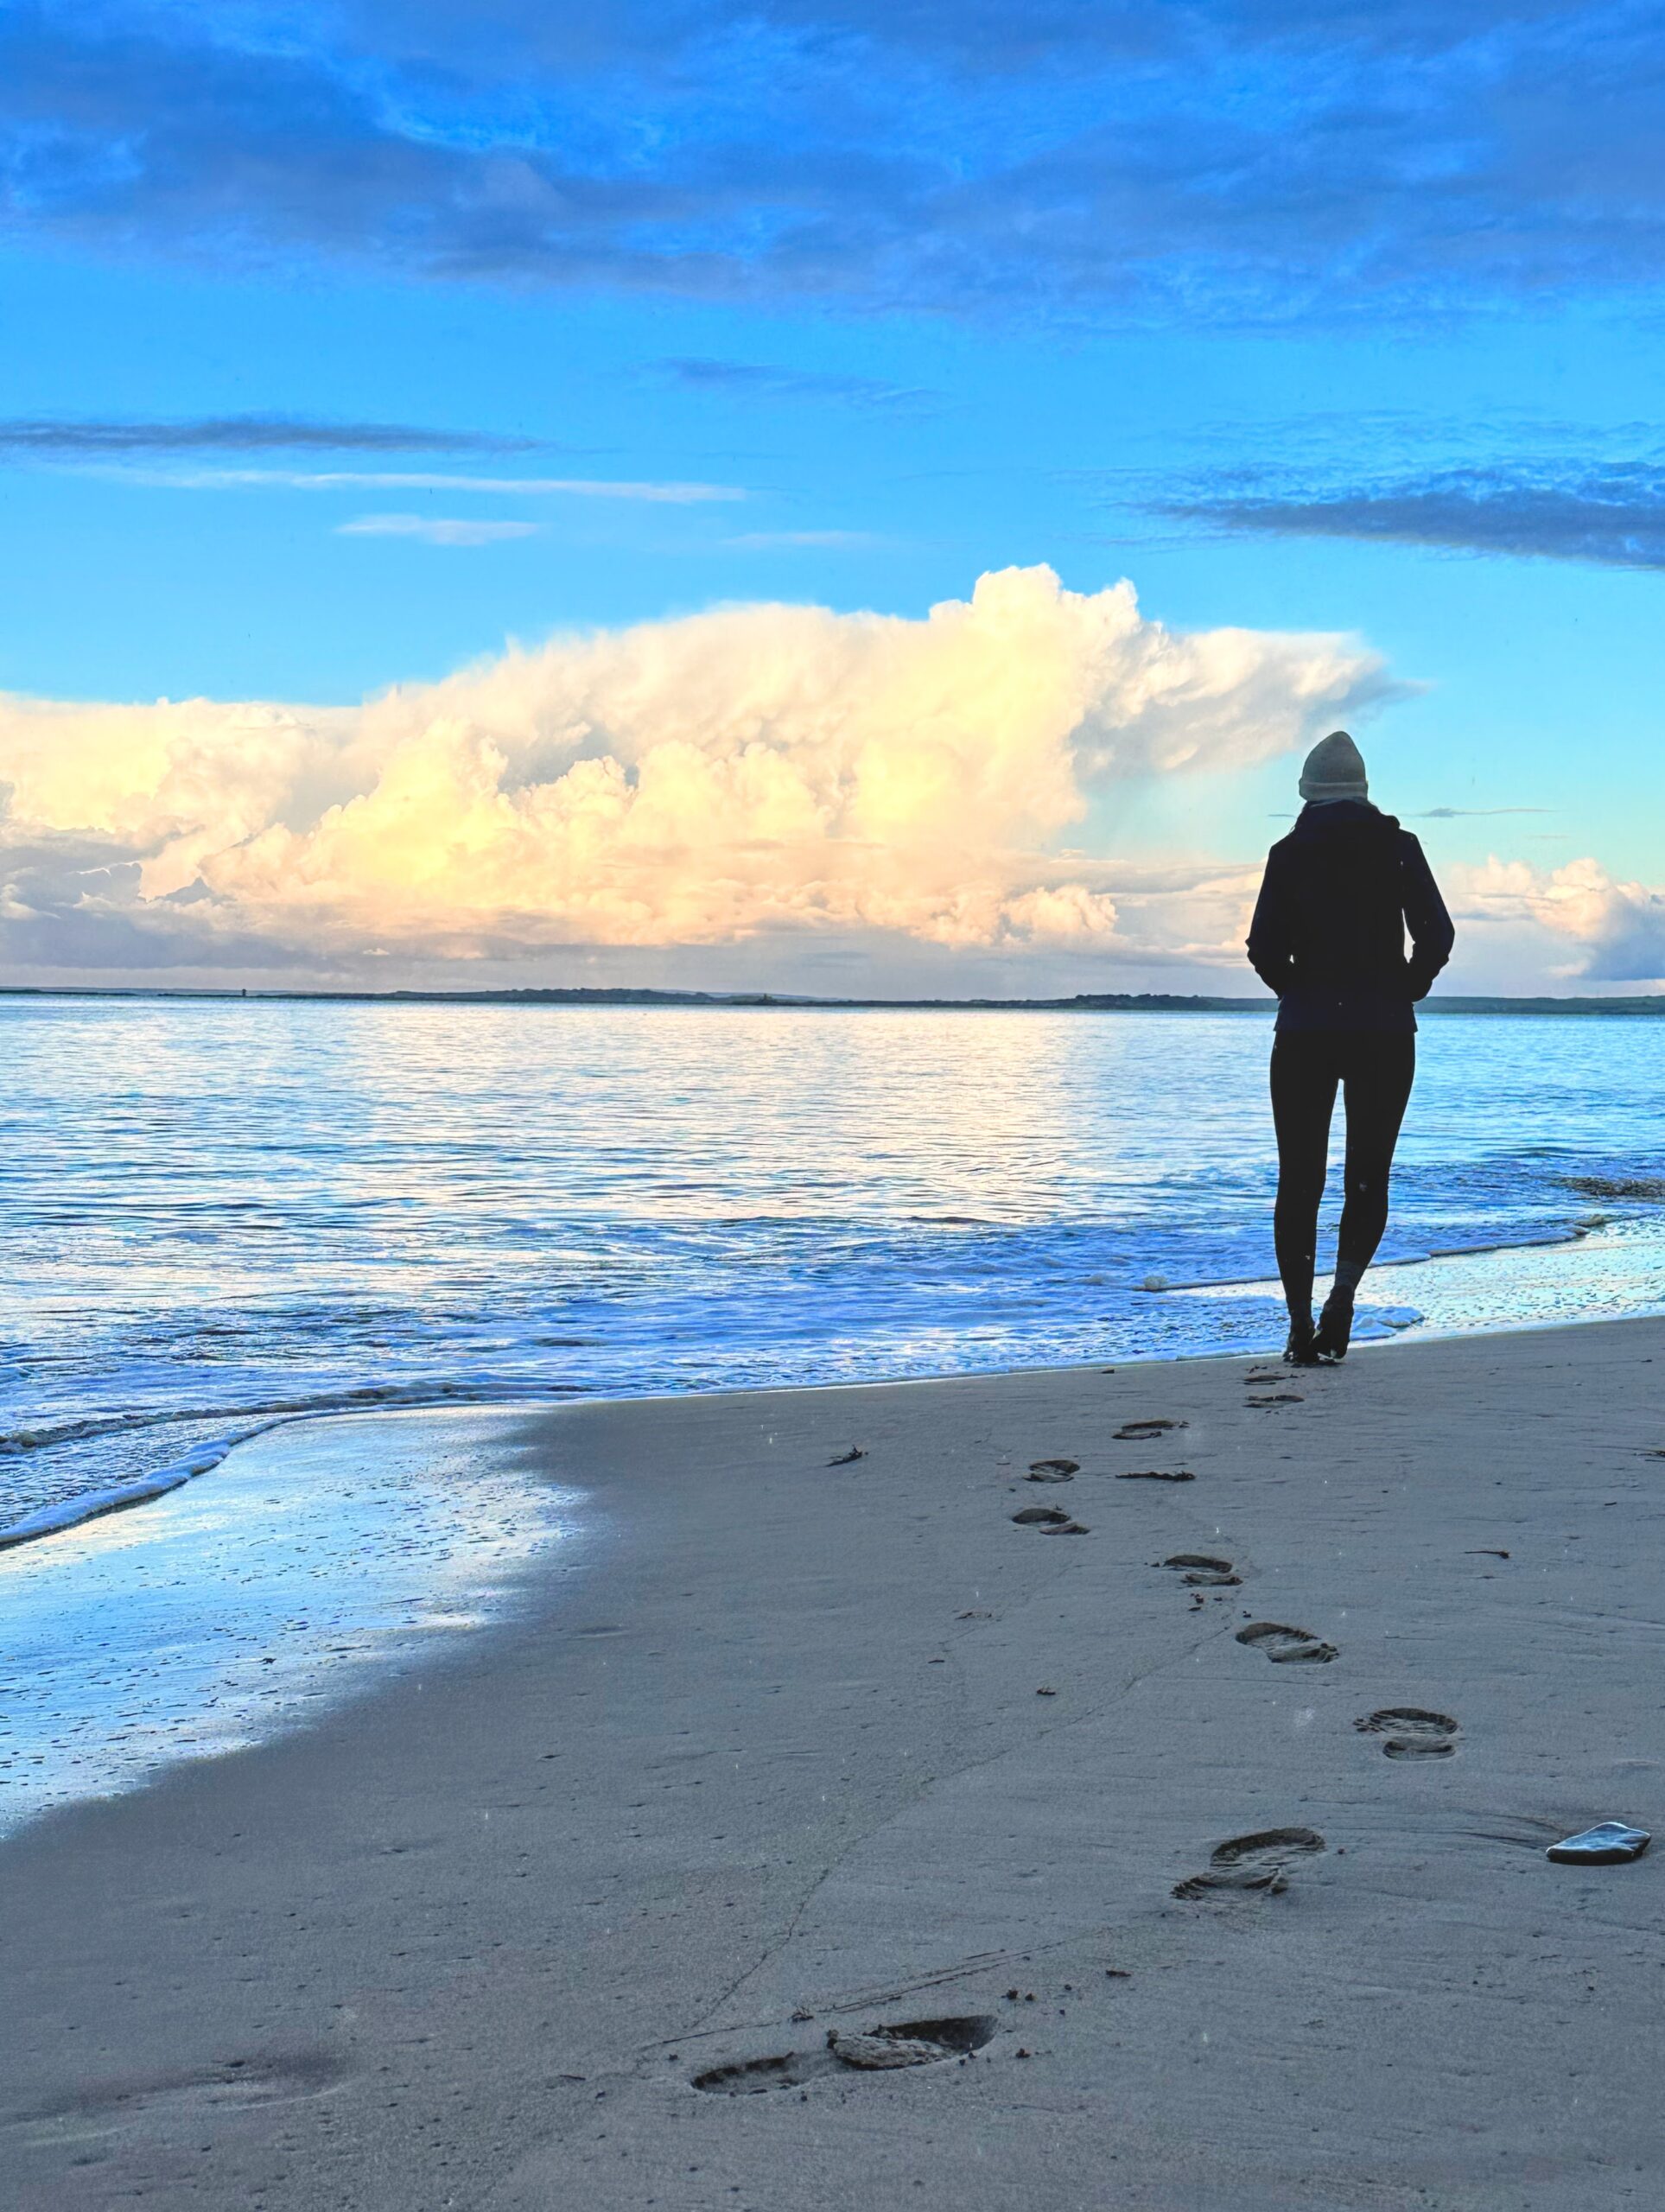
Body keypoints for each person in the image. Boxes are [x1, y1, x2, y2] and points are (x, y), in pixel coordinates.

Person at [1246, 730, 1454, 1364]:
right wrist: (1405, 988)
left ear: (1307, 792)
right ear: (1363, 790)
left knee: (1299, 1179)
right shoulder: (1398, 847)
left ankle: (1297, 1323)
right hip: (1383, 1032)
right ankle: (1342, 1297)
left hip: (1305, 1032)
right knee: (1366, 1176)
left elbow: (1261, 948)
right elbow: (1436, 935)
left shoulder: (1287, 853)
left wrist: (1298, 992)